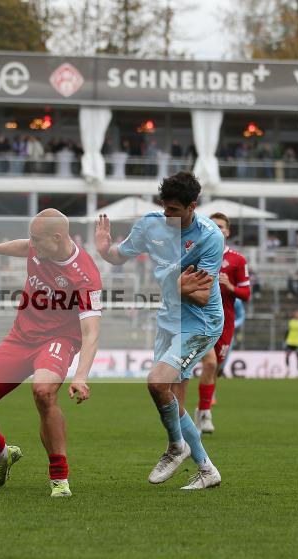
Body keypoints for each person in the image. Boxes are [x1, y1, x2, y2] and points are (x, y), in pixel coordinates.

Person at [0, 209, 101, 498]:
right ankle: (3, 456)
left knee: (43, 392)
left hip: (59, 340)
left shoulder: (85, 276)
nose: (32, 245)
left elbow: (91, 332)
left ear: (58, 238)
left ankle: (59, 478)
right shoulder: (38, 248)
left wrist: (82, 376)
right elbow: (24, 246)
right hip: (20, 338)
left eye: (37, 239)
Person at [95, 171, 223, 490]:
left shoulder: (209, 237)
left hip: (200, 322)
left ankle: (176, 447)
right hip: (169, 319)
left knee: (155, 382)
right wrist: (103, 249)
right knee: (170, 396)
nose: (167, 215)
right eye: (164, 208)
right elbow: (117, 258)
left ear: (192, 206)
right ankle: (206, 470)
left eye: (175, 210)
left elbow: (203, 294)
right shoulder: (150, 224)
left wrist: (174, 285)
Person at [195, 212, 250, 434]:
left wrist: (231, 287)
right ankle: (203, 414)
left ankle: (202, 410)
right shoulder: (196, 255)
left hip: (224, 322)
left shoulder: (237, 260)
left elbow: (246, 294)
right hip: (199, 318)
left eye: (221, 226)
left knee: (214, 366)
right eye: (213, 225)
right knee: (208, 365)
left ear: (227, 231)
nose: (217, 229)